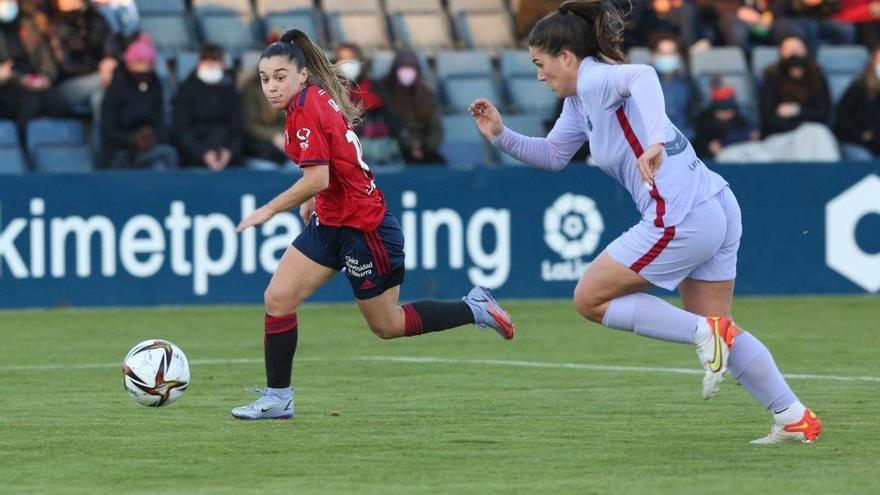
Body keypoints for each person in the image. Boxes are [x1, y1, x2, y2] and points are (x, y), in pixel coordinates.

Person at [470, 0, 822, 444]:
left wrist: (653, 139)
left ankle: (705, 332)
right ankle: (793, 416)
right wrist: (501, 134)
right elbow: (555, 155)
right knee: (722, 332)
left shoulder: (595, 77)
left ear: (566, 57)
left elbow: (645, 76)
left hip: (680, 215)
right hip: (714, 203)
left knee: (589, 298)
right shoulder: (581, 100)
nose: (539, 75)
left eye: (541, 64)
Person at [230, 29, 515, 420]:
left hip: (365, 230)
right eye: (265, 78)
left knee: (387, 325)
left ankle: (474, 307)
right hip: (332, 222)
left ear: (301, 76)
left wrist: (269, 209)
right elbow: (330, 164)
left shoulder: (307, 107)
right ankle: (279, 398)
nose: (272, 86)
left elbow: (319, 177)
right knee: (278, 299)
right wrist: (314, 201)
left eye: (280, 77)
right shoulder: (308, 101)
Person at [99, 33, 178, 169]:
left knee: (166, 156)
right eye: (138, 64)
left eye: (146, 65)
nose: (142, 71)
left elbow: (161, 121)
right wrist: (132, 139)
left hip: (151, 146)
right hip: (122, 149)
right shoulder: (116, 88)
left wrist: (152, 137)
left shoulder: (156, 86)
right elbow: (108, 129)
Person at [172, 43, 243, 170]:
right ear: (199, 63)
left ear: (222, 64)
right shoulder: (186, 90)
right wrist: (202, 154)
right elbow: (181, 129)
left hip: (230, 160)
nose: (210, 64)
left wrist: (229, 152)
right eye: (206, 60)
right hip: (193, 161)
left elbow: (238, 128)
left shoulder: (231, 92)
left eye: (215, 60)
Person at [0, 0, 63, 143]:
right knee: (30, 104)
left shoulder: (27, 23)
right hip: (7, 84)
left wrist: (47, 77)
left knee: (56, 101)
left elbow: (44, 56)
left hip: (34, 80)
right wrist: (18, 79)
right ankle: (22, 150)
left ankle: (56, 152)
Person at [335, 42, 400, 165]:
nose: (347, 63)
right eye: (342, 59)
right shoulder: (330, 88)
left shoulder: (373, 86)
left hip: (373, 147)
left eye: (350, 58)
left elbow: (390, 117)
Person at [378, 50, 446, 165]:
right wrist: (408, 145)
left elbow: (435, 127)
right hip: (396, 148)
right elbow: (390, 123)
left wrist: (424, 147)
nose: (406, 72)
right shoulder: (384, 90)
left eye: (410, 68)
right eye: (402, 68)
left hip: (425, 148)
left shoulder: (427, 94)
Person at [833, 45, 880, 160]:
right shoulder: (859, 87)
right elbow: (842, 118)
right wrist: (864, 135)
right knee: (862, 159)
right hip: (857, 141)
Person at [648, 33, 698, 139]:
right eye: (662, 53)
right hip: (651, 142)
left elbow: (695, 112)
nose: (667, 57)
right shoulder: (644, 82)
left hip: (686, 140)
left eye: (671, 53)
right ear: (653, 56)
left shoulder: (687, 82)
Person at [692, 84, 758, 159]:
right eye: (722, 111)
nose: (726, 114)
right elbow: (698, 144)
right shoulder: (705, 123)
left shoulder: (738, 119)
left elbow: (751, 131)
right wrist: (708, 147)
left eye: (729, 111)